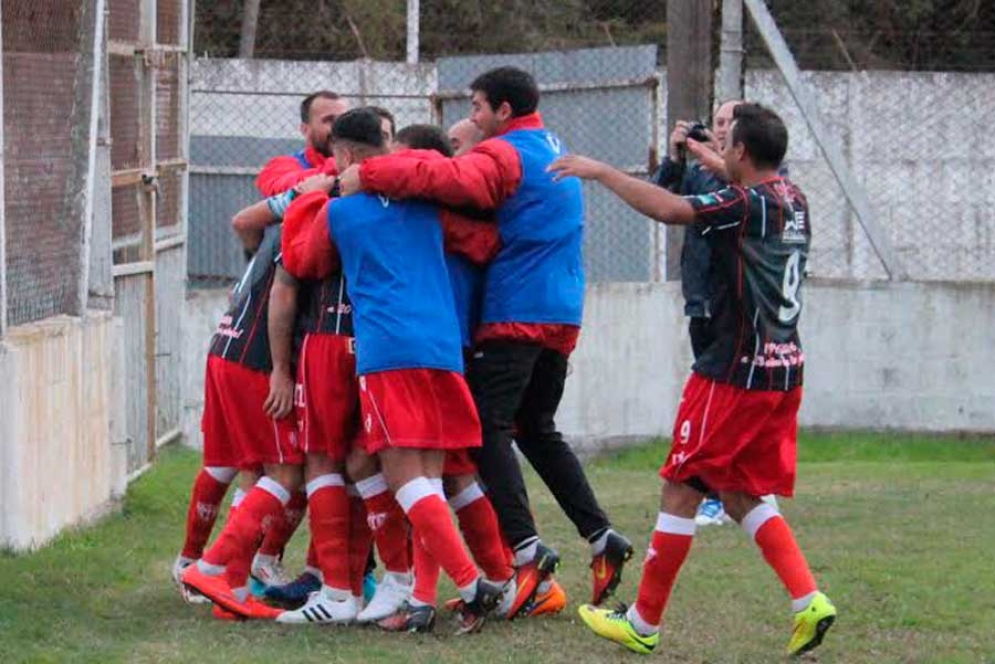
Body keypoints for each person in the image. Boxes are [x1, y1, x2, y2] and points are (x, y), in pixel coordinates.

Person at [338, 66, 632, 615]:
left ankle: (523, 554)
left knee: (483, 432)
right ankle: (601, 537)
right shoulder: (551, 143)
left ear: (501, 110)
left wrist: (371, 174)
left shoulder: (506, 152)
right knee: (535, 428)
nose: (468, 122)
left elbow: (450, 182)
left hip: (515, 312)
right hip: (561, 309)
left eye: (474, 109)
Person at [549, 103, 836, 657]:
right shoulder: (793, 198)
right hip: (782, 368)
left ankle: (643, 621)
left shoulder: (742, 204)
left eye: (729, 145)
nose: (721, 152)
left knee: (683, 484)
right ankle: (808, 600)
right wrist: (705, 151)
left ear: (743, 152)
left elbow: (673, 208)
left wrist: (602, 172)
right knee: (738, 489)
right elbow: (735, 178)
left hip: (732, 372)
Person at [281, 108, 504, 634]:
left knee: (405, 479)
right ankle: (415, 593)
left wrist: (314, 195)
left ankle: (474, 584)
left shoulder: (340, 213)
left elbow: (305, 263)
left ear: (348, 156)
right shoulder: (424, 200)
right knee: (427, 473)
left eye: (336, 154)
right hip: (442, 346)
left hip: (389, 351)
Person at [256, 91, 348, 197]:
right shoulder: (283, 165)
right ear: (305, 129)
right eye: (328, 120)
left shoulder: (362, 161)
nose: (340, 128)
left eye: (344, 120)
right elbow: (283, 189)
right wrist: (340, 165)